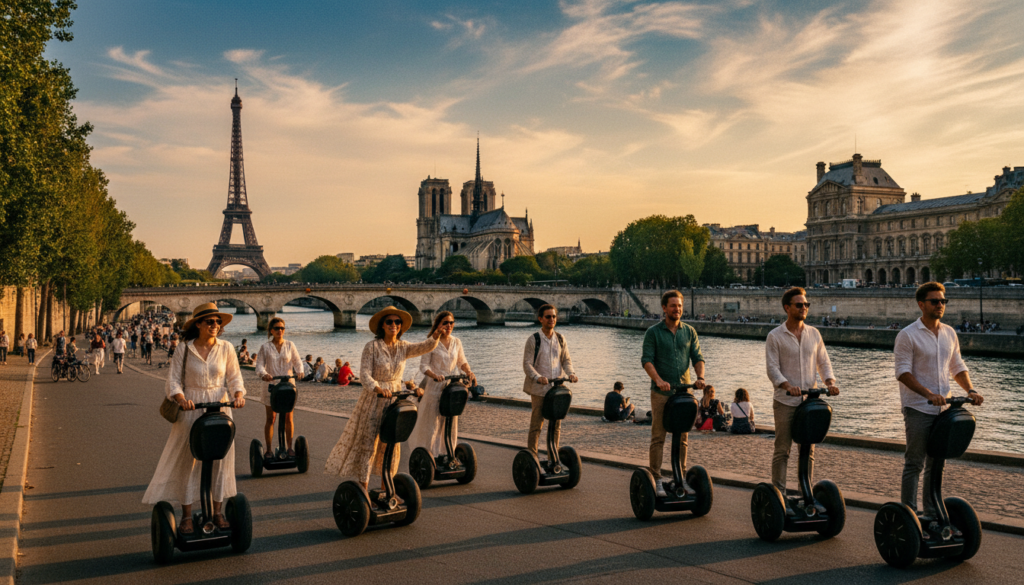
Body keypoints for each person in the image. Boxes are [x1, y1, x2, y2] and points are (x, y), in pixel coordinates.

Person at [142, 302, 246, 536]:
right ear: (198, 324)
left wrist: (238, 395)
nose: (215, 325)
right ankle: (187, 516)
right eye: (210, 321)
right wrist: (180, 399)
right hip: (191, 407)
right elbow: (173, 381)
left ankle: (218, 513)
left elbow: (235, 378)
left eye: (218, 321)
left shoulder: (227, 347)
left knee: (220, 462)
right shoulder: (184, 349)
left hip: (220, 407)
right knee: (188, 462)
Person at [894, 282, 983, 536]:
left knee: (937, 464)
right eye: (935, 301)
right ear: (921, 304)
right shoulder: (907, 335)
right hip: (918, 408)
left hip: (944, 410)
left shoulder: (949, 333)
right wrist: (928, 394)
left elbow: (957, 366)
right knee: (914, 463)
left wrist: (971, 390)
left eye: (943, 301)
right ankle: (909, 515)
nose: (940, 305)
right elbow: (902, 372)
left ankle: (932, 515)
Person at [325, 306, 440, 491]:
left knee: (391, 447)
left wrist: (437, 333)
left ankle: (386, 490)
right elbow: (364, 374)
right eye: (389, 321)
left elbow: (424, 347)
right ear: (382, 325)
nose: (394, 325)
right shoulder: (372, 346)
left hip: (395, 400)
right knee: (369, 445)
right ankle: (364, 490)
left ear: (401, 326)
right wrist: (377, 388)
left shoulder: (403, 347)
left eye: (397, 322)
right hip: (374, 399)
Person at [765, 287, 838, 515]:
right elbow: (772, 368)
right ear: (787, 308)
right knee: (783, 450)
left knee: (808, 450)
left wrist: (829, 381)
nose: (804, 308)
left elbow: (823, 362)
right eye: (799, 305)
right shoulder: (775, 336)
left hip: (809, 403)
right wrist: (787, 385)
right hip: (786, 402)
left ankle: (805, 493)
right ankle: (779, 495)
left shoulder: (814, 333)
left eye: (806, 305)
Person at [641, 290, 706, 496]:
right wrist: (659, 381)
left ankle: (681, 476)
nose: (676, 309)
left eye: (679, 306)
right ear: (664, 308)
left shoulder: (689, 331)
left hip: (684, 392)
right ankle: (657, 478)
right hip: (662, 392)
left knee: (683, 437)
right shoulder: (653, 332)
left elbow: (697, 357)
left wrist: (700, 377)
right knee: (658, 436)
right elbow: (647, 360)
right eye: (672, 306)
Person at [409, 311, 476, 458]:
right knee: (432, 424)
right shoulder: (431, 342)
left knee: (449, 423)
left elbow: (461, 361)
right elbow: (424, 366)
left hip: (452, 388)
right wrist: (434, 375)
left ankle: (446, 454)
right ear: (438, 324)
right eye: (445, 322)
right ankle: (429, 455)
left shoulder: (456, 342)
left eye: (451, 322)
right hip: (434, 388)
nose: (449, 325)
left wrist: (469, 372)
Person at [522, 304, 578, 454]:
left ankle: (553, 456)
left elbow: (566, 360)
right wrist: (538, 377)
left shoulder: (560, 338)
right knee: (536, 425)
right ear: (540, 319)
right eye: (548, 317)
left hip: (557, 388)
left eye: (554, 316)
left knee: (556, 425)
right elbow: (527, 364)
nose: (551, 319)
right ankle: (532, 455)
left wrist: (571, 373)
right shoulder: (533, 339)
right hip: (540, 389)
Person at [254, 317, 304, 459]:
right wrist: (264, 374)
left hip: (288, 386)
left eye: (282, 328)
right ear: (271, 330)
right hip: (272, 386)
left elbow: (298, 361)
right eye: (277, 328)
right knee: (271, 418)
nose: (280, 331)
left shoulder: (290, 345)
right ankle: (269, 450)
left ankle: (289, 448)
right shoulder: (265, 347)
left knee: (288, 417)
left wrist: (300, 371)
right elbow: (259, 366)